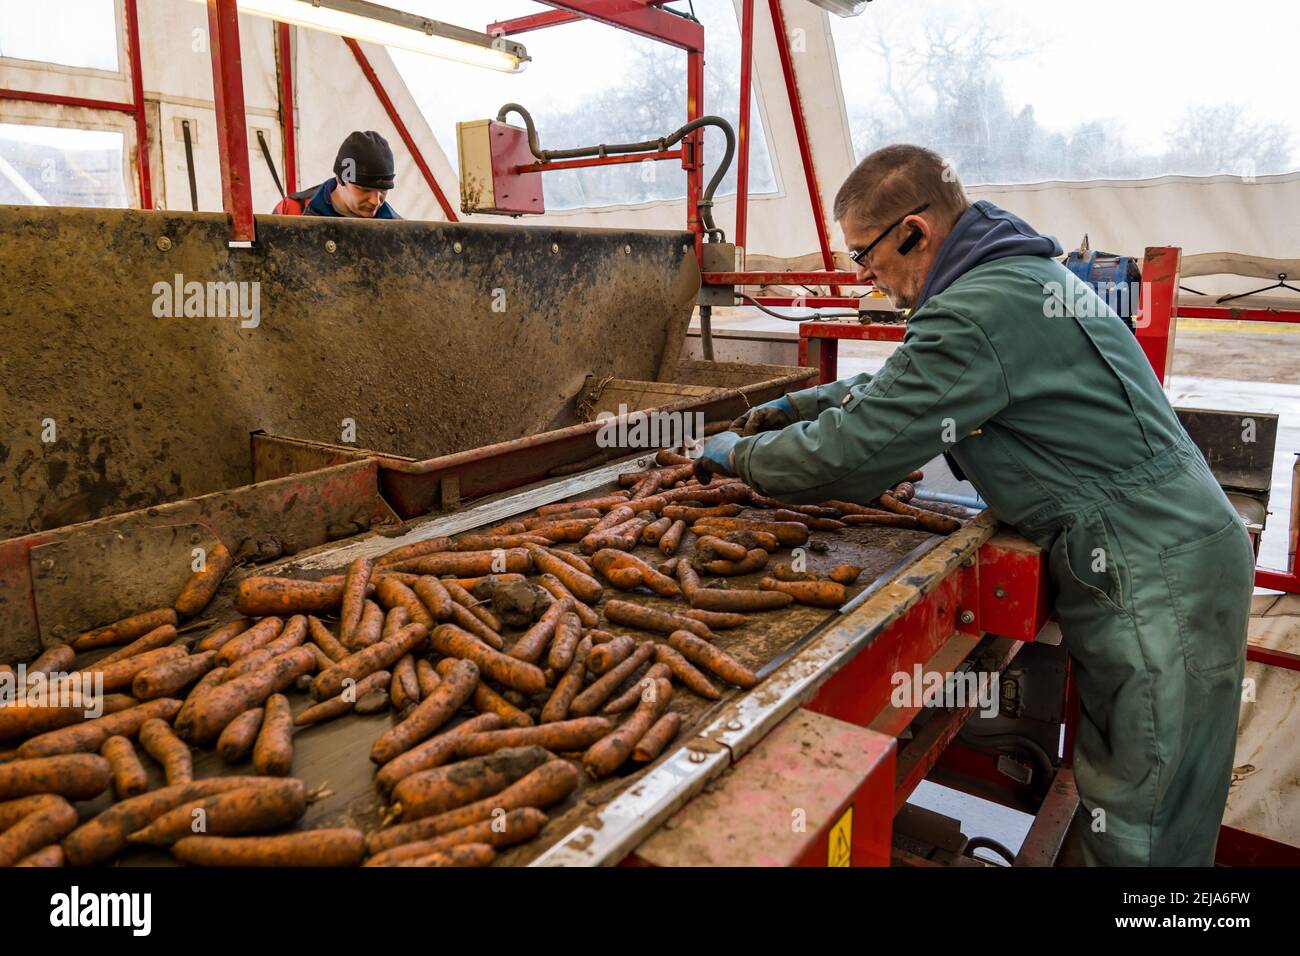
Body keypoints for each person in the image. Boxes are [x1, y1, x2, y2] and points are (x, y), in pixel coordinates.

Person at [696, 144, 1253, 867]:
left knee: (1144, 828)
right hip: (1164, 557)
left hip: (1156, 577)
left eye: (866, 256)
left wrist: (736, 458)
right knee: (1132, 793)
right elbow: (906, 385)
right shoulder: (1013, 276)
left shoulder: (978, 310)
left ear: (915, 233)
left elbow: (855, 452)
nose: (866, 276)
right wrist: (795, 404)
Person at [272, 130, 400, 218]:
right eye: (365, 189)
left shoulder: (399, 232)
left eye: (383, 191)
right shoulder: (291, 212)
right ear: (341, 179)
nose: (375, 201)